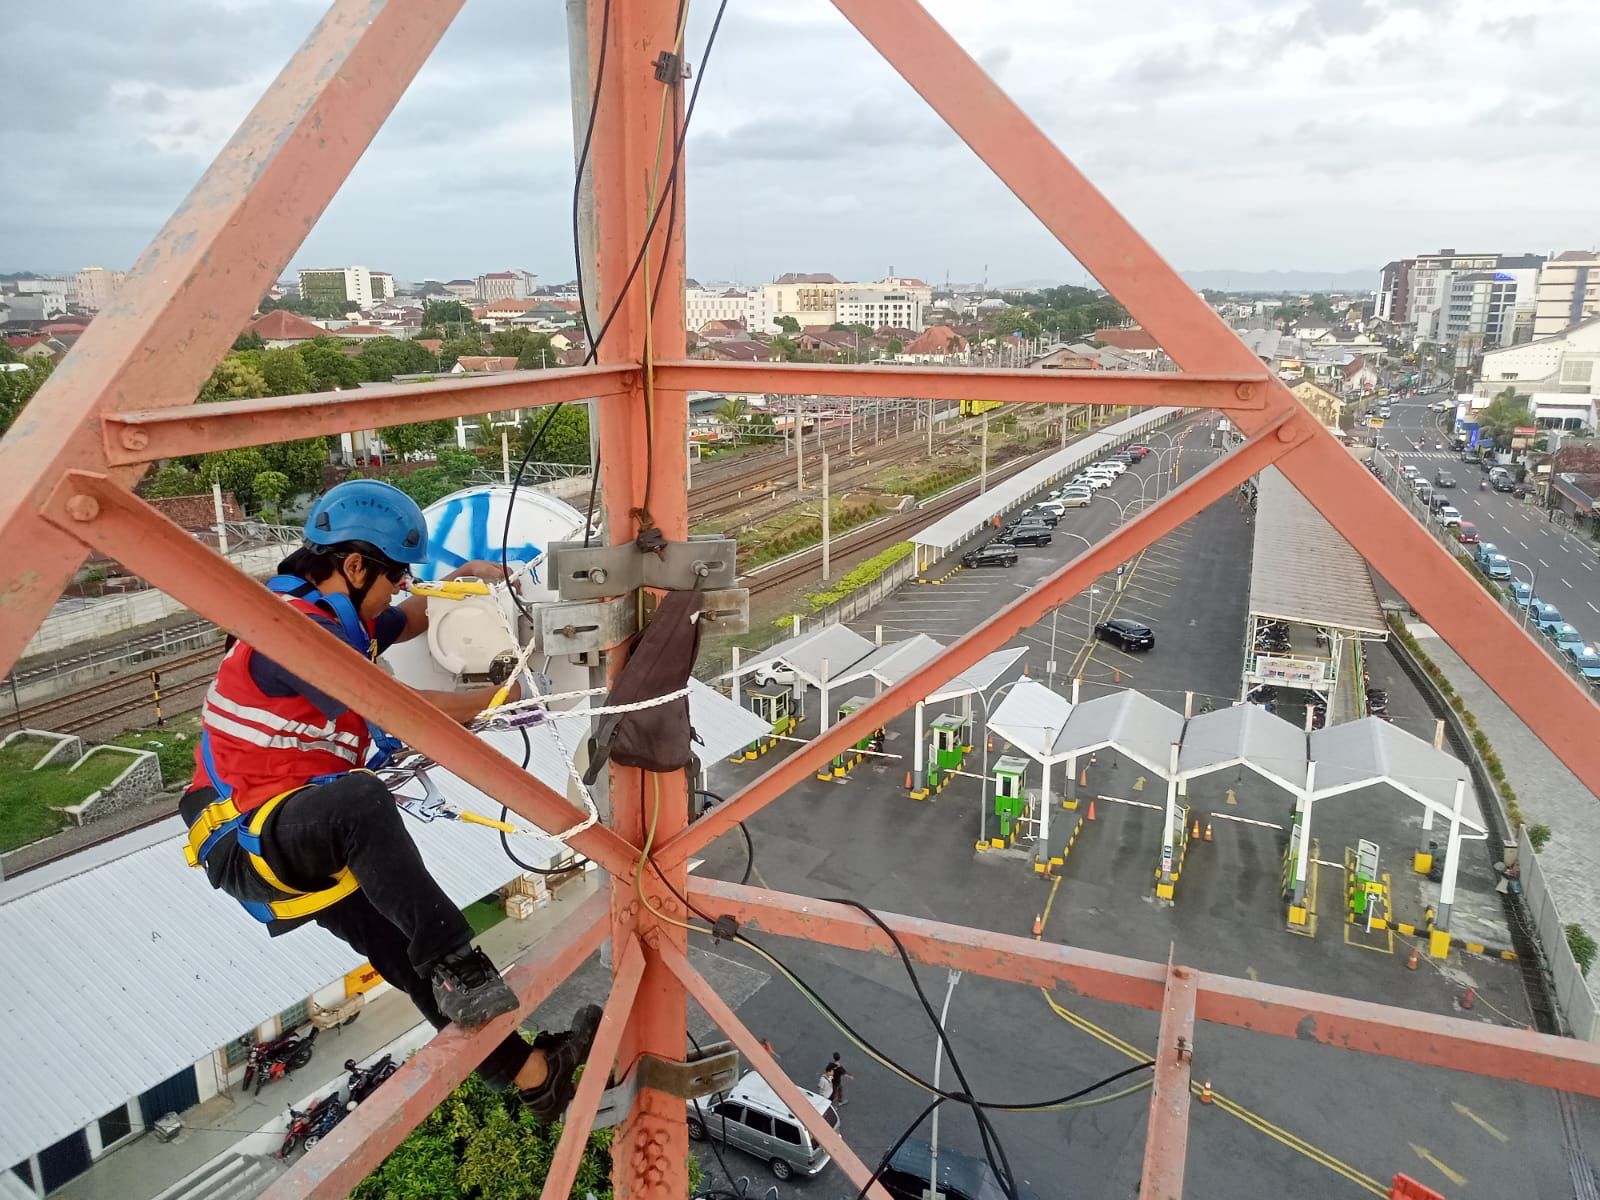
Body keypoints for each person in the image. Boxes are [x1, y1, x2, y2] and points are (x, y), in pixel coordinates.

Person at [180, 480, 599, 1120]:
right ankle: (461, 965)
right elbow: (401, 711)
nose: (401, 588)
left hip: (287, 831)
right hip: (254, 836)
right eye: (395, 576)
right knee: (364, 804)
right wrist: (509, 697)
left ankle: (537, 1078)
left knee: (406, 955)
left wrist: (462, 580)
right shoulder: (291, 633)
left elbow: (412, 618)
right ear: (354, 567)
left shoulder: (338, 619)